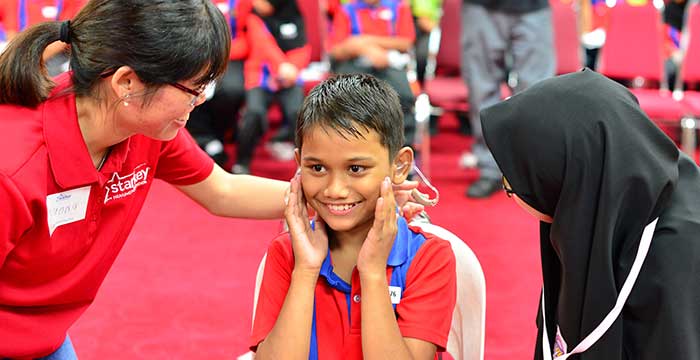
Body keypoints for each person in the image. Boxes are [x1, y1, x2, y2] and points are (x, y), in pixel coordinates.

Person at [0, 1, 424, 358]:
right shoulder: (12, 166)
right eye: (194, 86)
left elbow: (221, 190)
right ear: (127, 83)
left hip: (48, 337)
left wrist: (355, 197)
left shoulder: (143, 129)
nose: (205, 98)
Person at [481, 69, 700, 359]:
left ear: (558, 180)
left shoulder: (674, 252)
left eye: (515, 185)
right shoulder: (597, 196)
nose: (510, 188)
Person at [250, 73, 457, 359]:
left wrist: (372, 273)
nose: (335, 190)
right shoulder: (287, 253)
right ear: (299, 165)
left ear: (399, 166)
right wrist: (307, 271)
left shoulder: (429, 257)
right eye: (318, 168)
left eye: (356, 169)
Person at [460, 0, 555, 198]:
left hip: (534, 7)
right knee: (481, 87)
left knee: (537, 92)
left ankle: (532, 170)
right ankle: (489, 168)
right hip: (481, 6)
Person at [233, 0, 311, 174]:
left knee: (297, 112)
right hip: (261, 74)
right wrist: (281, 67)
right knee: (254, 113)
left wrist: (292, 69)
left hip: (290, 75)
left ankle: (305, 165)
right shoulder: (254, 16)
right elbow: (262, 43)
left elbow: (304, 47)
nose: (256, 2)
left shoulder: (294, 14)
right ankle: (241, 162)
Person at [328, 0, 418, 146]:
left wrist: (366, 41)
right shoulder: (347, 10)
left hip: (389, 63)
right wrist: (362, 49)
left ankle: (403, 148)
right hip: (354, 63)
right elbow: (336, 51)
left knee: (403, 95)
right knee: (346, 97)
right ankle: (349, 147)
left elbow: (406, 42)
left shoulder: (398, 7)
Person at [185, 0, 254, 167]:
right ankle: (206, 139)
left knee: (232, 90)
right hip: (195, 53)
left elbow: (252, 31)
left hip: (232, 55)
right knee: (188, 84)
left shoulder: (243, 3)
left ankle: (219, 136)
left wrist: (226, 50)